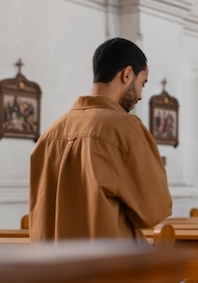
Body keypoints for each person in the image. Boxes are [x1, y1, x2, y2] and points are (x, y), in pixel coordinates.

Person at [29, 37, 172, 242]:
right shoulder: (126, 129)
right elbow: (155, 211)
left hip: (54, 270)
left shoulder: (50, 134)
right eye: (143, 83)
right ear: (127, 74)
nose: (140, 95)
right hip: (107, 266)